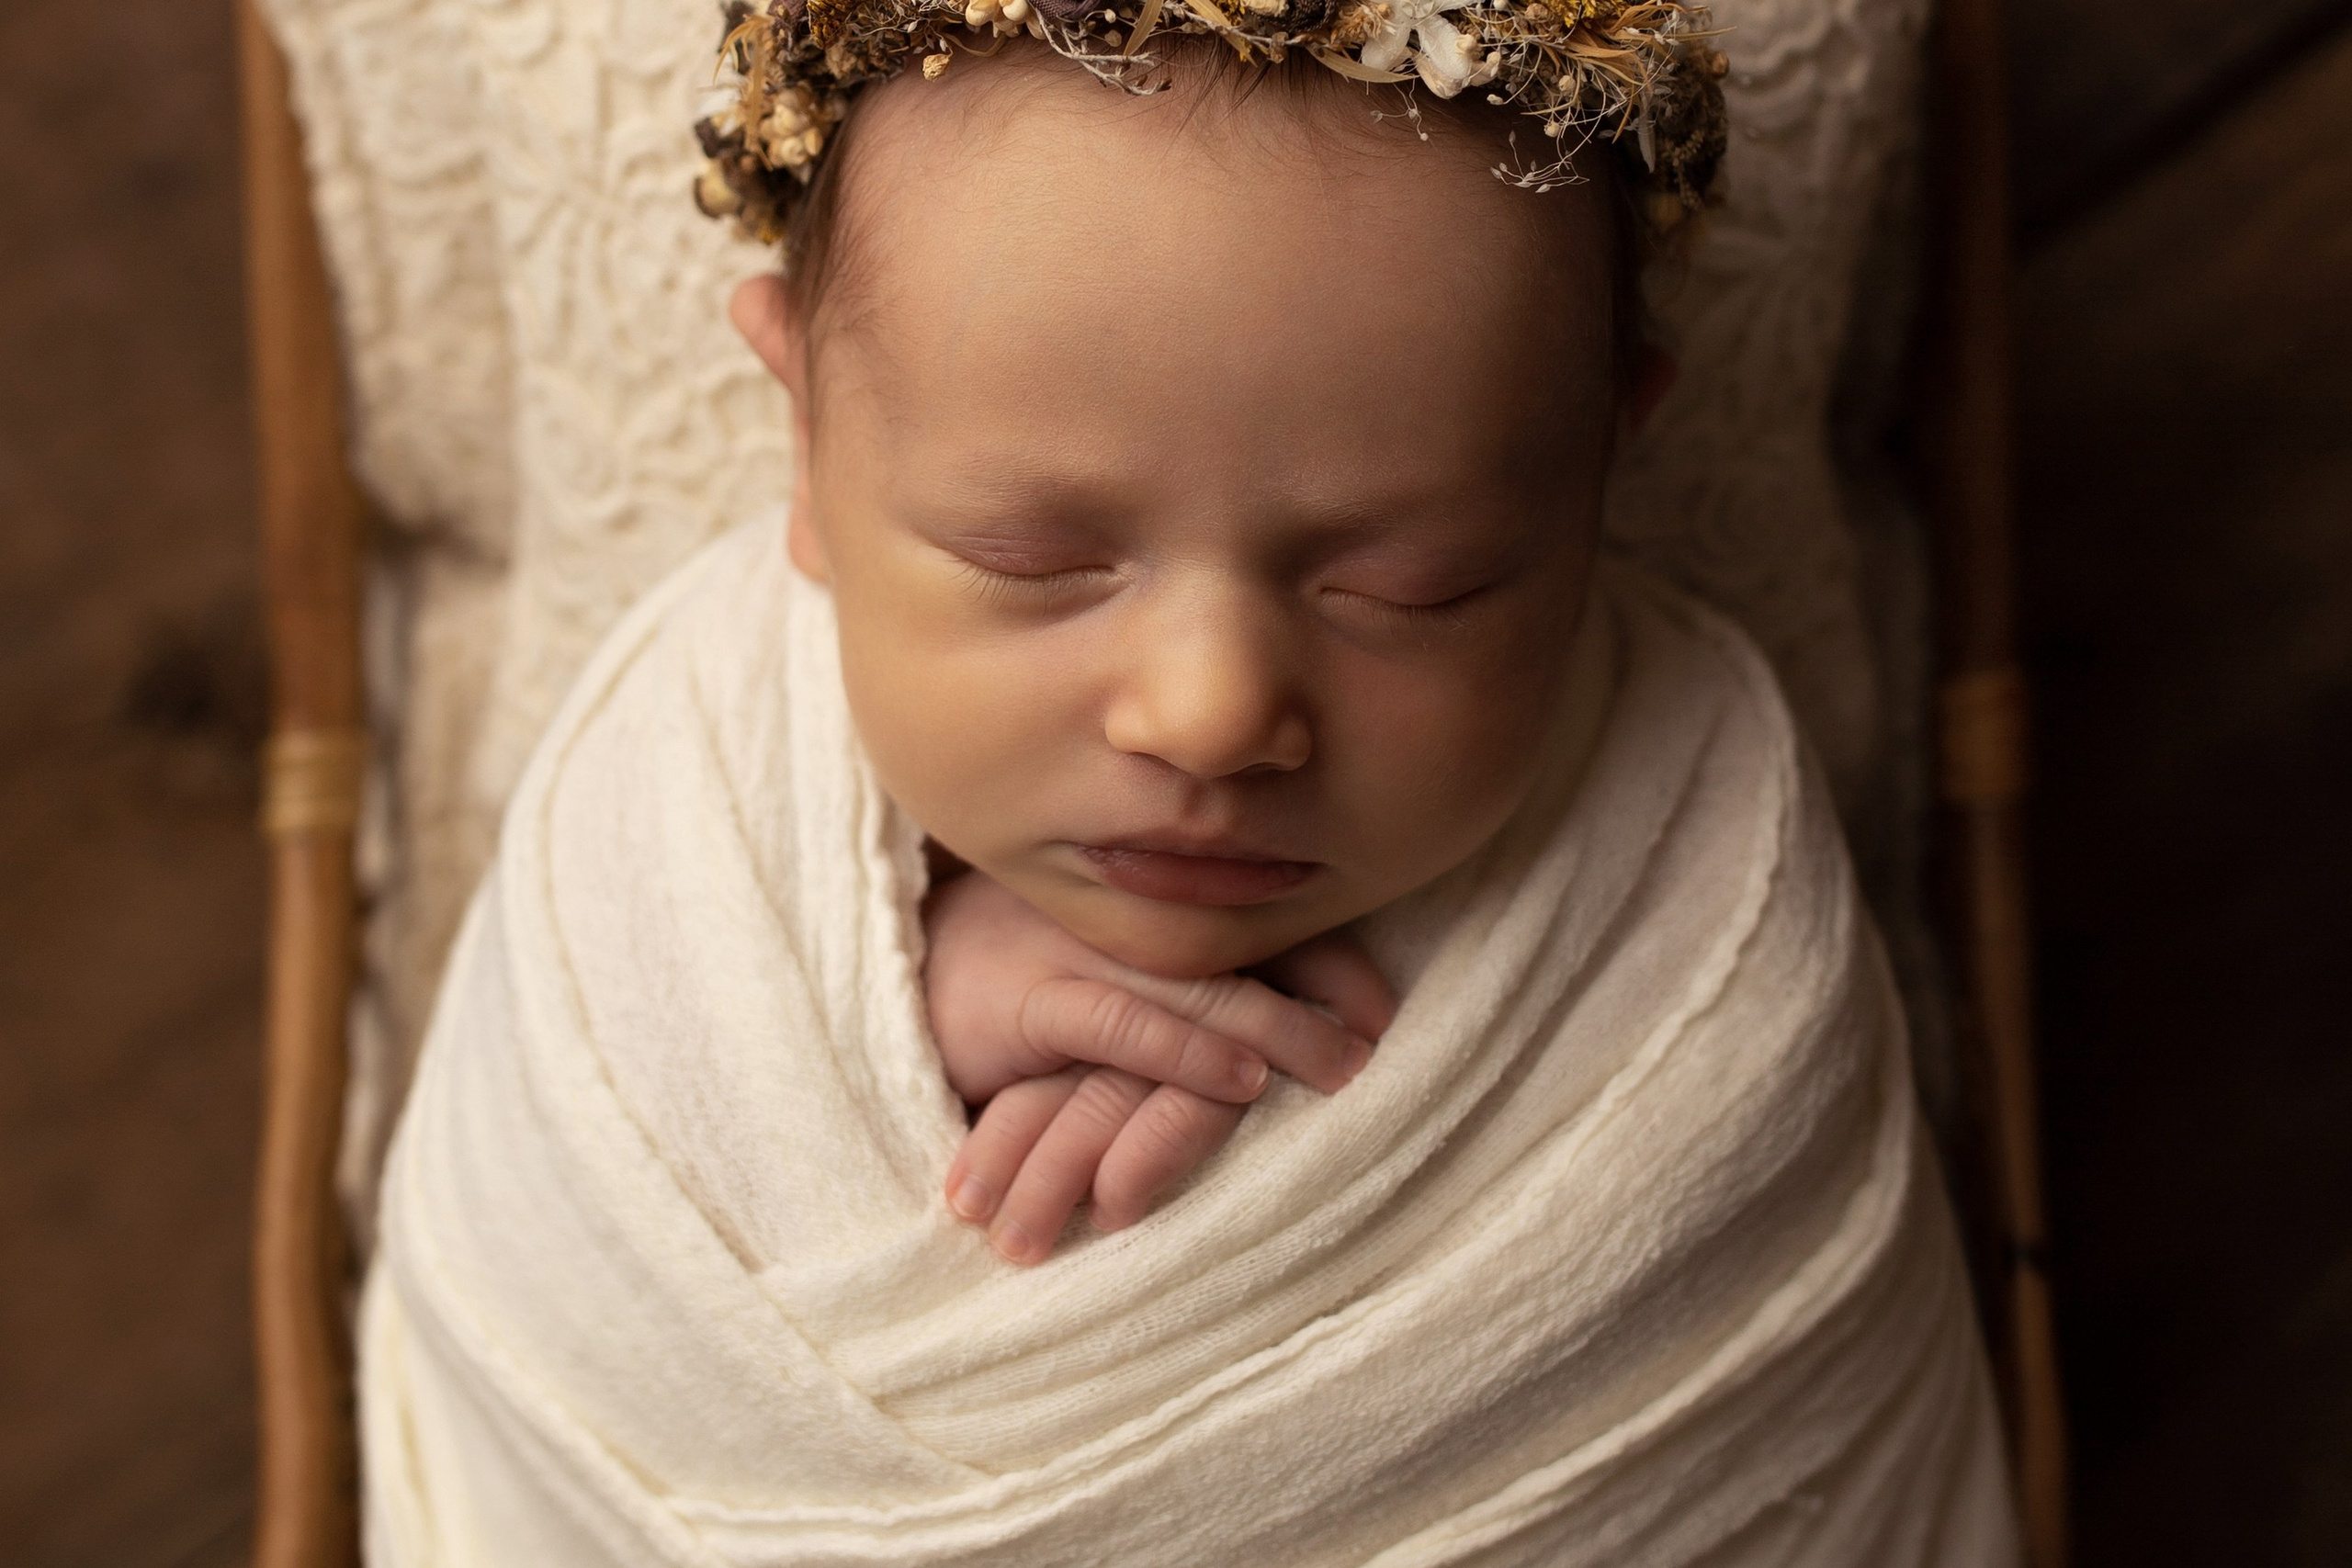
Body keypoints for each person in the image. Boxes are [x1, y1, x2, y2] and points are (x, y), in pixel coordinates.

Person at [356, 9, 2018, 1563]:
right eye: (1038, 557)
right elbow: (564, 1257)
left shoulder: (1700, 845)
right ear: (803, 440)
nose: (1213, 716)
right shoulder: (680, 784)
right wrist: (887, 990)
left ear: (1600, 470)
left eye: (1418, 585)